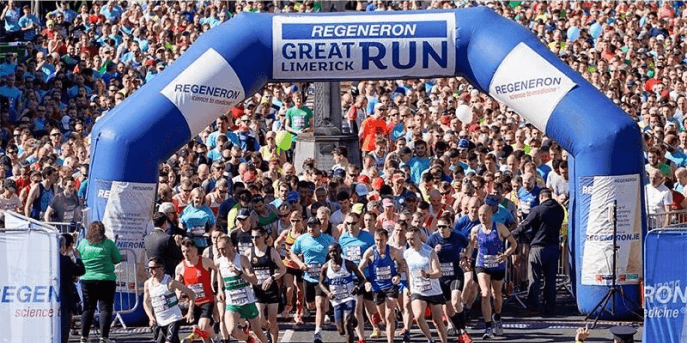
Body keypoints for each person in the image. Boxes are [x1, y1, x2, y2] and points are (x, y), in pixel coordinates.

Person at [466, 204, 518, 339]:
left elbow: (514, 243)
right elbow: (471, 247)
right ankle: (488, 326)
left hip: (497, 264)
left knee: (496, 295)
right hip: (482, 264)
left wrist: (506, 255)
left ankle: (498, 317)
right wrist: (466, 258)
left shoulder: (500, 227)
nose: (482, 217)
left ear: (490, 214)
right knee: (485, 293)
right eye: (480, 215)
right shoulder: (476, 229)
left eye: (484, 215)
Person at [512, 188, 564, 314]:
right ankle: (550, 306)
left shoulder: (538, 209)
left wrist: (511, 234)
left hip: (538, 247)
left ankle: (533, 306)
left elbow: (525, 225)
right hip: (554, 246)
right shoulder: (559, 209)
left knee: (534, 278)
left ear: (541, 197)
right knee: (550, 279)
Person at [425, 216, 473, 342]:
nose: (441, 229)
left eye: (443, 227)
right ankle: (459, 332)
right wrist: (433, 251)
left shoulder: (457, 237)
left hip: (455, 274)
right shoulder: (433, 238)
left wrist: (466, 258)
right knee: (449, 308)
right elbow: (425, 254)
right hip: (441, 278)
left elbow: (469, 246)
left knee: (456, 301)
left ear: (450, 227)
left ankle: (463, 331)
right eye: (439, 226)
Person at [289, 216, 336, 343]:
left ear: (320, 227)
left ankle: (317, 332)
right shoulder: (302, 239)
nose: (311, 228)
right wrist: (300, 264)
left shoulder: (327, 239)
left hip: (322, 278)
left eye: (314, 226)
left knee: (320, 304)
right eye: (309, 226)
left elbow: (337, 252)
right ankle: (316, 314)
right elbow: (292, 253)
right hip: (308, 277)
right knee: (310, 306)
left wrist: (329, 265)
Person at [215, 235, 268, 343]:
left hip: (247, 301)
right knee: (231, 331)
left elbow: (254, 280)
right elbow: (219, 273)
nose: (222, 251)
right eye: (219, 249)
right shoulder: (219, 262)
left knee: (258, 331)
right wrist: (220, 290)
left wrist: (239, 273)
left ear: (230, 246)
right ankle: (248, 339)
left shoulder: (242, 259)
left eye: (224, 248)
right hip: (232, 302)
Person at [358, 229, 407, 343]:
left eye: (381, 240)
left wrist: (398, 274)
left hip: (391, 285)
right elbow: (360, 268)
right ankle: (391, 321)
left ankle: (390, 341)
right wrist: (366, 282)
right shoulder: (370, 252)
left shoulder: (393, 251)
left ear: (386, 239)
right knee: (384, 318)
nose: (379, 243)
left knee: (389, 317)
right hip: (377, 287)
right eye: (377, 240)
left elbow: (401, 263)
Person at [338, 212, 381, 340]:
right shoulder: (343, 238)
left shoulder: (367, 237)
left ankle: (381, 316)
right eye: (348, 223)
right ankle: (361, 338)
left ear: (359, 222)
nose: (351, 226)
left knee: (372, 308)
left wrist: (369, 260)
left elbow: (376, 253)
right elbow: (341, 257)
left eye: (354, 223)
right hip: (352, 277)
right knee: (357, 308)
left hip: (367, 275)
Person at [77, 221, 122, 343]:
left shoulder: (83, 243)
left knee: (88, 308)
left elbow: (78, 256)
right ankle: (104, 337)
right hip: (106, 279)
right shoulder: (108, 244)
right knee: (105, 309)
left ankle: (84, 337)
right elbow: (118, 259)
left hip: (87, 279)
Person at [404, 227, 448, 343]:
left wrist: (427, 275)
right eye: (407, 239)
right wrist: (409, 287)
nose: (410, 241)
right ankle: (430, 339)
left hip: (433, 290)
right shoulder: (407, 253)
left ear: (419, 237)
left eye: (412, 238)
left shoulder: (429, 251)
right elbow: (408, 272)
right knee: (418, 317)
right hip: (418, 291)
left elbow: (438, 272)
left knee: (438, 322)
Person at [319, 243, 366, 343]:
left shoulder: (349, 263)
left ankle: (350, 328)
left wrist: (357, 287)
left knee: (347, 324)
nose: (333, 253)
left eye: (335, 251)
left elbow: (362, 279)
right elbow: (321, 283)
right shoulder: (326, 267)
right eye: (331, 251)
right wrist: (328, 293)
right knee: (341, 330)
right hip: (336, 300)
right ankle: (353, 319)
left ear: (340, 252)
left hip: (349, 296)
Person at [143, 257, 196, 343]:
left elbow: (192, 294)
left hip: (173, 318)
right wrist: (151, 317)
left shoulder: (170, 282)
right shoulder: (147, 284)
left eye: (153, 268)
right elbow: (146, 302)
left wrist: (190, 311)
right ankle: (190, 339)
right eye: (148, 268)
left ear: (161, 268)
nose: (150, 271)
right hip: (160, 321)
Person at [175, 239, 219, 343]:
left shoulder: (204, 261)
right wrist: (178, 296)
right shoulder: (180, 267)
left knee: (202, 326)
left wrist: (215, 285)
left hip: (207, 300)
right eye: (183, 251)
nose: (186, 254)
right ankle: (215, 338)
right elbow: (177, 286)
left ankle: (215, 338)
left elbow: (217, 270)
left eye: (188, 251)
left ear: (195, 250)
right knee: (204, 334)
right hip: (193, 302)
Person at [248, 227, 286, 343]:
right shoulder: (249, 252)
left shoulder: (271, 251)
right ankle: (266, 331)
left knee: (273, 320)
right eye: (252, 237)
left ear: (264, 236)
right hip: (257, 290)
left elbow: (283, 269)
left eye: (257, 237)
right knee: (259, 319)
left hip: (271, 290)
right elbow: (245, 270)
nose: (255, 240)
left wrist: (271, 278)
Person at [273, 210, 306, 322]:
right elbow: (276, 242)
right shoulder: (287, 233)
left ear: (302, 220)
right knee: (290, 288)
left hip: (300, 266)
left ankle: (299, 311)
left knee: (300, 291)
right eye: (292, 220)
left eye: (297, 220)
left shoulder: (305, 234)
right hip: (289, 265)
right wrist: (279, 254)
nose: (295, 223)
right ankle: (288, 305)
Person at [59, 232, 85, 343]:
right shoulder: (65, 260)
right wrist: (78, 257)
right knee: (64, 329)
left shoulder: (49, 259)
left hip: (52, 298)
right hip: (65, 298)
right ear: (64, 246)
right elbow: (80, 270)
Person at [145, 212, 183, 277]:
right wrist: (178, 244)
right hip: (166, 274)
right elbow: (178, 255)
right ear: (165, 223)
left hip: (153, 273)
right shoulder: (167, 238)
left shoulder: (147, 238)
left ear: (152, 223)